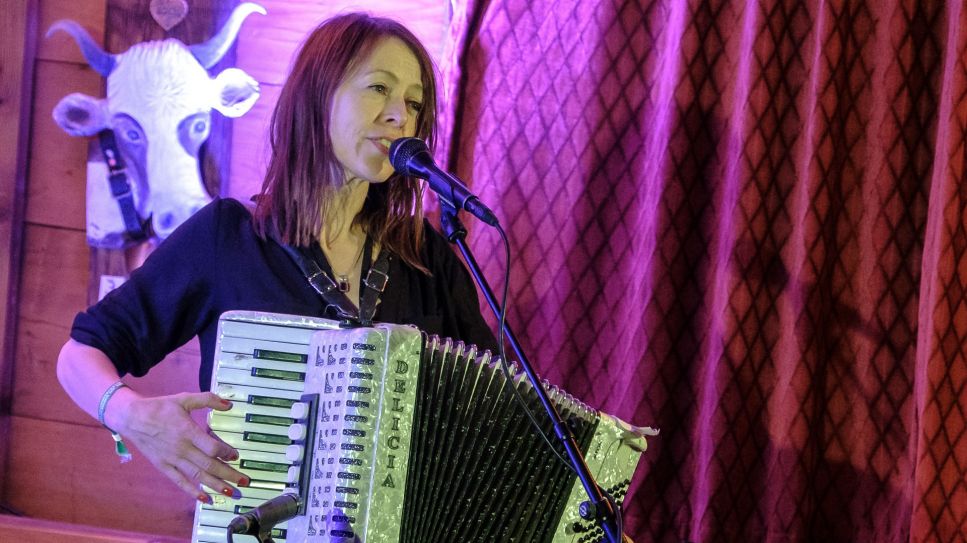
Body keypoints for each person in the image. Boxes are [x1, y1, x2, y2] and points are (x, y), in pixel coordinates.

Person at [56, 13, 497, 505]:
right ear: (317, 96)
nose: (401, 115)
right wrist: (131, 416)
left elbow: (494, 406)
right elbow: (79, 354)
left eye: (414, 103)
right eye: (379, 89)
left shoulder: (426, 256)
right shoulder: (228, 236)